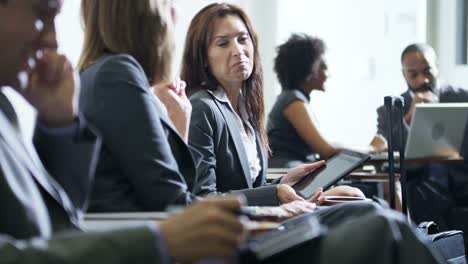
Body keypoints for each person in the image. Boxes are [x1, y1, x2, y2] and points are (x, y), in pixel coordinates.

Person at [0, 0, 247, 262]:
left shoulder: (7, 110)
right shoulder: (117, 73)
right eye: (43, 15)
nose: (53, 40)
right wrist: (156, 243)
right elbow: (170, 199)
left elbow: (57, 222)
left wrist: (59, 127)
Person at [182, 4, 364, 206]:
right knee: (359, 203)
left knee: (353, 195)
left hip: (264, 217)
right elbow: (203, 199)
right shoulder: (202, 108)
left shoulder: (247, 108)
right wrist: (274, 193)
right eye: (223, 43)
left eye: (243, 39)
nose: (238, 50)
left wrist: (283, 183)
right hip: (239, 230)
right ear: (203, 57)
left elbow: (248, 189)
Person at [370, 43, 468, 229]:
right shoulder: (390, 110)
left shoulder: (463, 98)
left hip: (461, 178)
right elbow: (384, 149)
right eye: (413, 74)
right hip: (420, 182)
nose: (422, 80)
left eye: (427, 71)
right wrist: (409, 119)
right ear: (404, 74)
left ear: (437, 67)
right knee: (420, 193)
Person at [267, 34, 377, 168]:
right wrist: (372, 148)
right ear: (308, 70)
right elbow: (326, 150)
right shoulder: (293, 101)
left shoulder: (292, 98)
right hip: (290, 175)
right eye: (323, 66)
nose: (328, 74)